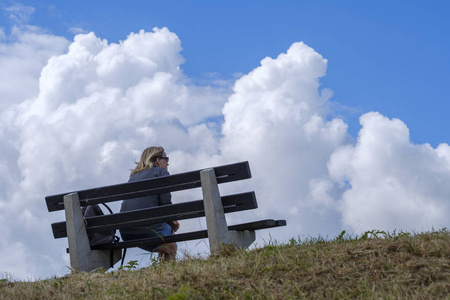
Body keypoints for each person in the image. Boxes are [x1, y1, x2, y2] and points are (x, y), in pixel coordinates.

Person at [120, 146, 180, 261]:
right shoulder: (161, 172)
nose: (168, 164)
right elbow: (165, 203)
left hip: (126, 233)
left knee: (165, 236)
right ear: (157, 160)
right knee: (171, 245)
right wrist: (172, 220)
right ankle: (167, 275)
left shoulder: (133, 177)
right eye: (166, 159)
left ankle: (161, 271)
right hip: (146, 230)